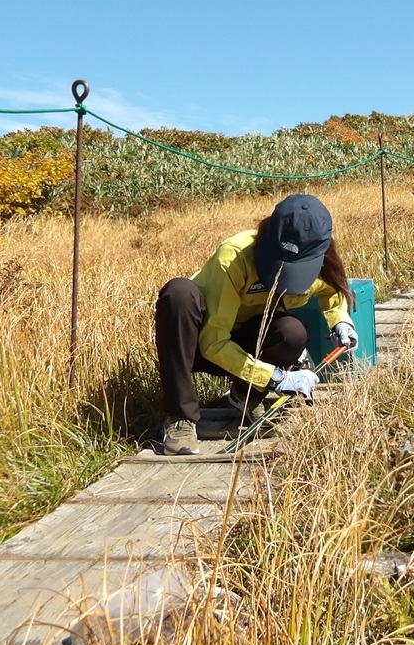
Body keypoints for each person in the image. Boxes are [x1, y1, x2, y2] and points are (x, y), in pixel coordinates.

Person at [153, 192, 359, 455]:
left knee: (292, 333)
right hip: (197, 343)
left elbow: (331, 291)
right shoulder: (234, 257)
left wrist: (340, 322)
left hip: (245, 341)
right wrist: (275, 377)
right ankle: (179, 415)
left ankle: (245, 395)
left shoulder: (321, 263)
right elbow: (213, 342)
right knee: (178, 294)